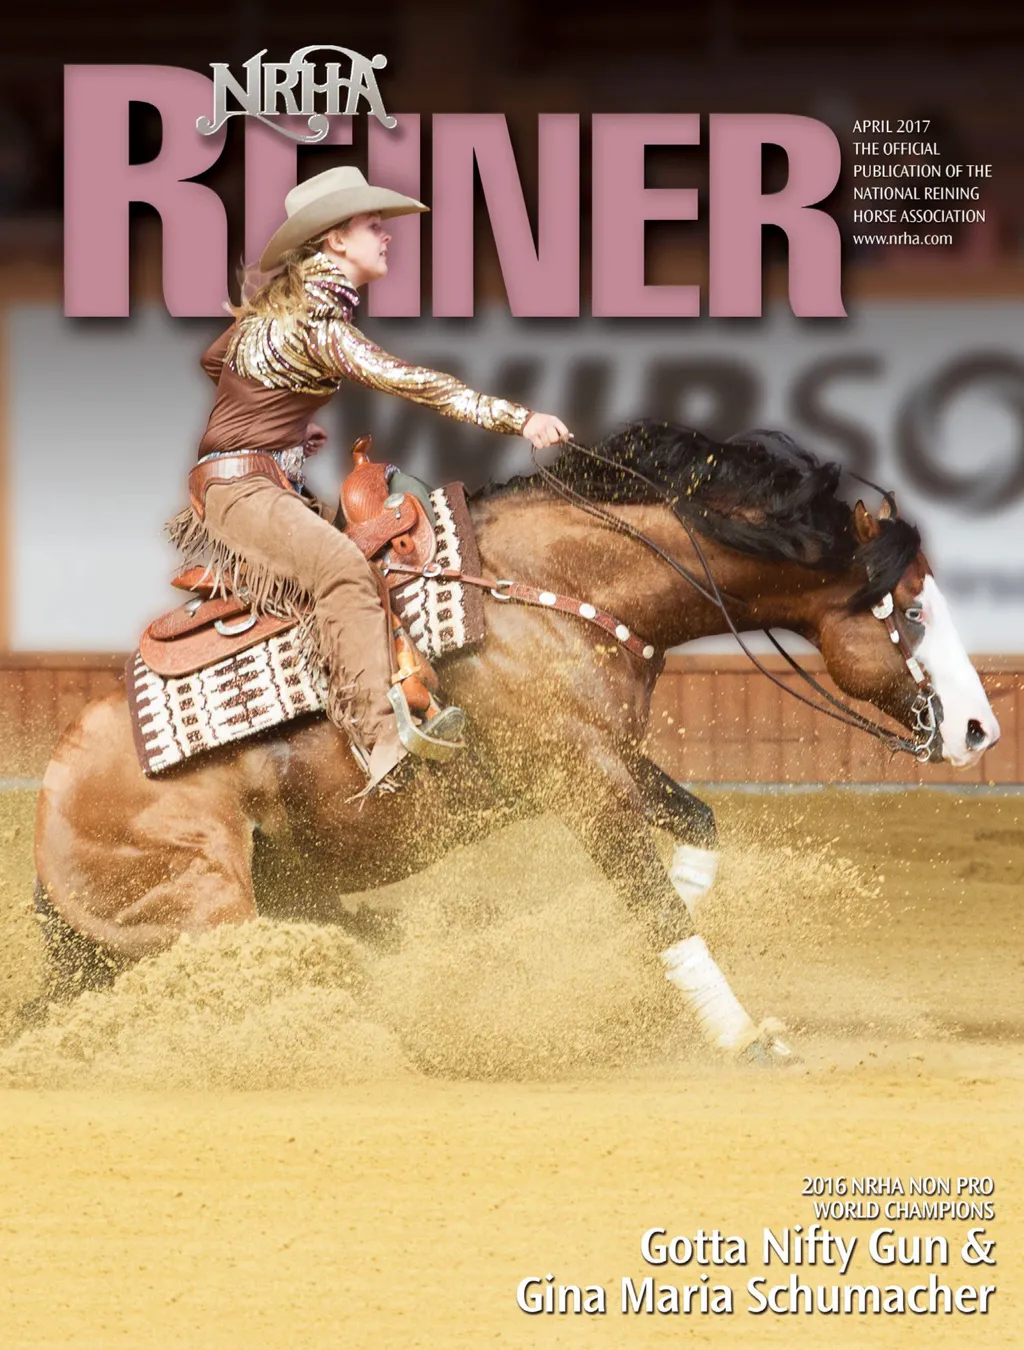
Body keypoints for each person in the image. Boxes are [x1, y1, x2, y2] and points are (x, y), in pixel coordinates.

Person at [170, 166, 568, 790]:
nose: (387, 237)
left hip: (248, 483)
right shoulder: (319, 327)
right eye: (374, 225)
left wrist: (282, 422)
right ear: (335, 240)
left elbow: (213, 357)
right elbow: (412, 382)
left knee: (366, 560)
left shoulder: (281, 314)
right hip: (241, 491)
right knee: (343, 571)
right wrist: (520, 419)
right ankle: (382, 740)